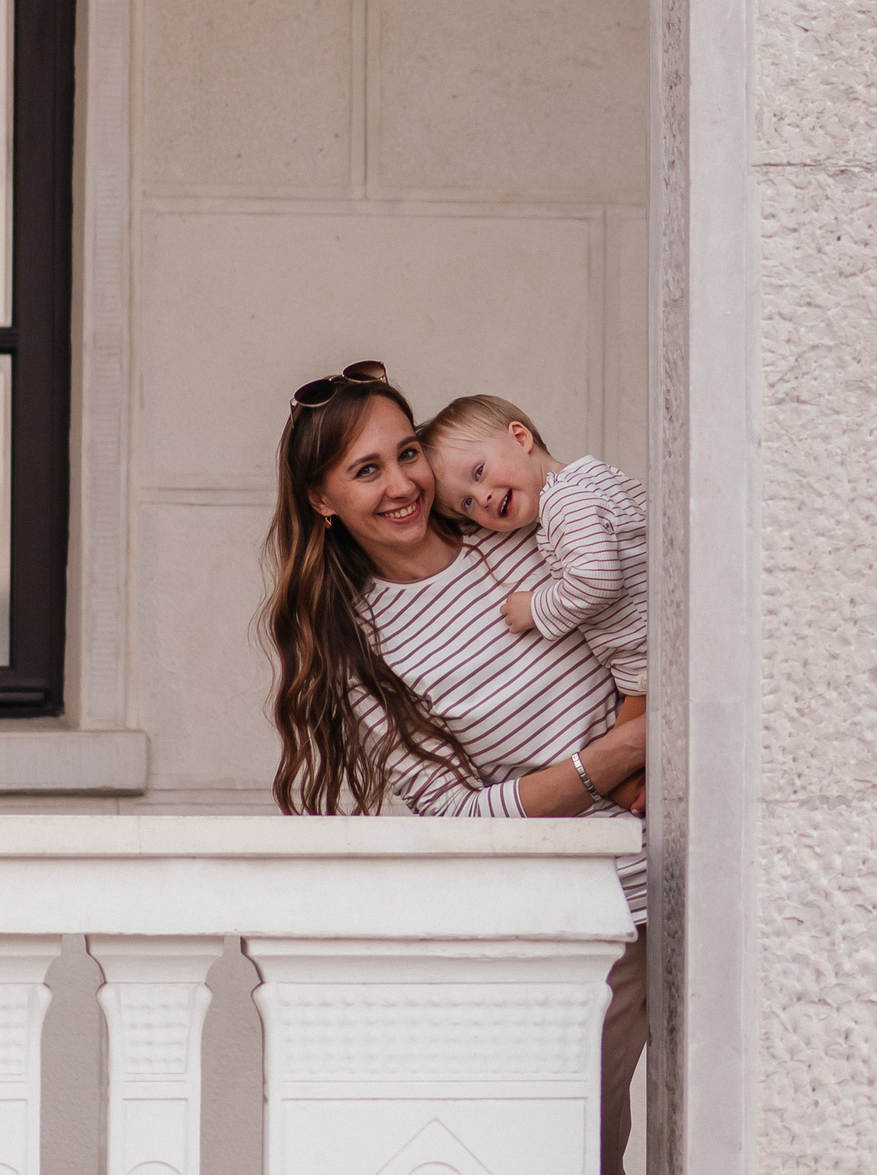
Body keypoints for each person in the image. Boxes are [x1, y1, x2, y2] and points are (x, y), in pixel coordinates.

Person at [259, 362, 648, 1174]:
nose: (402, 483)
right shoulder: (361, 652)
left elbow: (646, 611)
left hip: (707, 867)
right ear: (323, 498)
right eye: (367, 470)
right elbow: (462, 817)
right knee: (575, 1155)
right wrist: (616, 756)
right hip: (588, 917)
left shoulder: (515, 528)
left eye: (407, 453)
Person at [419, 395, 647, 808]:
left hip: (644, 663)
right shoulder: (594, 476)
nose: (482, 498)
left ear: (520, 437)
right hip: (655, 645)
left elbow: (598, 579)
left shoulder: (562, 503)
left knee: (626, 785)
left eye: (479, 472)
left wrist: (535, 609)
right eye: (467, 503)